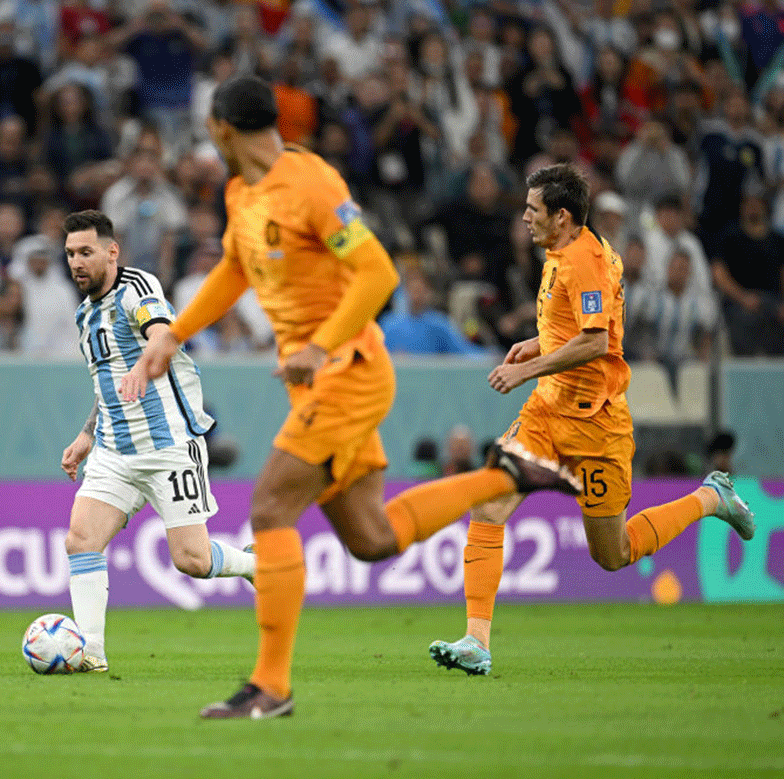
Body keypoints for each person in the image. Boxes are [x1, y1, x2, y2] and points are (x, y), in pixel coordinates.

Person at [125, 76, 582, 720]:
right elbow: (234, 267)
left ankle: (271, 686)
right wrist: (173, 335)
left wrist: (320, 345)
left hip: (349, 370)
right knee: (371, 538)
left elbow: (378, 273)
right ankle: (500, 476)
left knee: (270, 509)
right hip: (321, 381)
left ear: (223, 128)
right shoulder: (239, 192)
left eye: (209, 127)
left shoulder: (313, 185)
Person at [426, 165, 755, 677]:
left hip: (597, 425)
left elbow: (597, 342)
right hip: (546, 413)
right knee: (489, 507)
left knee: (614, 553)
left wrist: (527, 368)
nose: (525, 216)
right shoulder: (569, 250)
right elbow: (585, 326)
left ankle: (710, 498)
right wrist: (536, 344)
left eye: (533, 209)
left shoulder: (585, 261)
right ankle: (476, 641)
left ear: (561, 216)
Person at [58, 209, 256, 674]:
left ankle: (254, 567)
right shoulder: (85, 315)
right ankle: (91, 653)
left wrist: (144, 362)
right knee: (80, 540)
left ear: (112, 252)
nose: (76, 263)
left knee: (192, 559)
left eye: (85, 252)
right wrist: (87, 436)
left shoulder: (138, 288)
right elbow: (103, 383)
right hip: (113, 451)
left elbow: (163, 335)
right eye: (69, 254)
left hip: (168, 446)